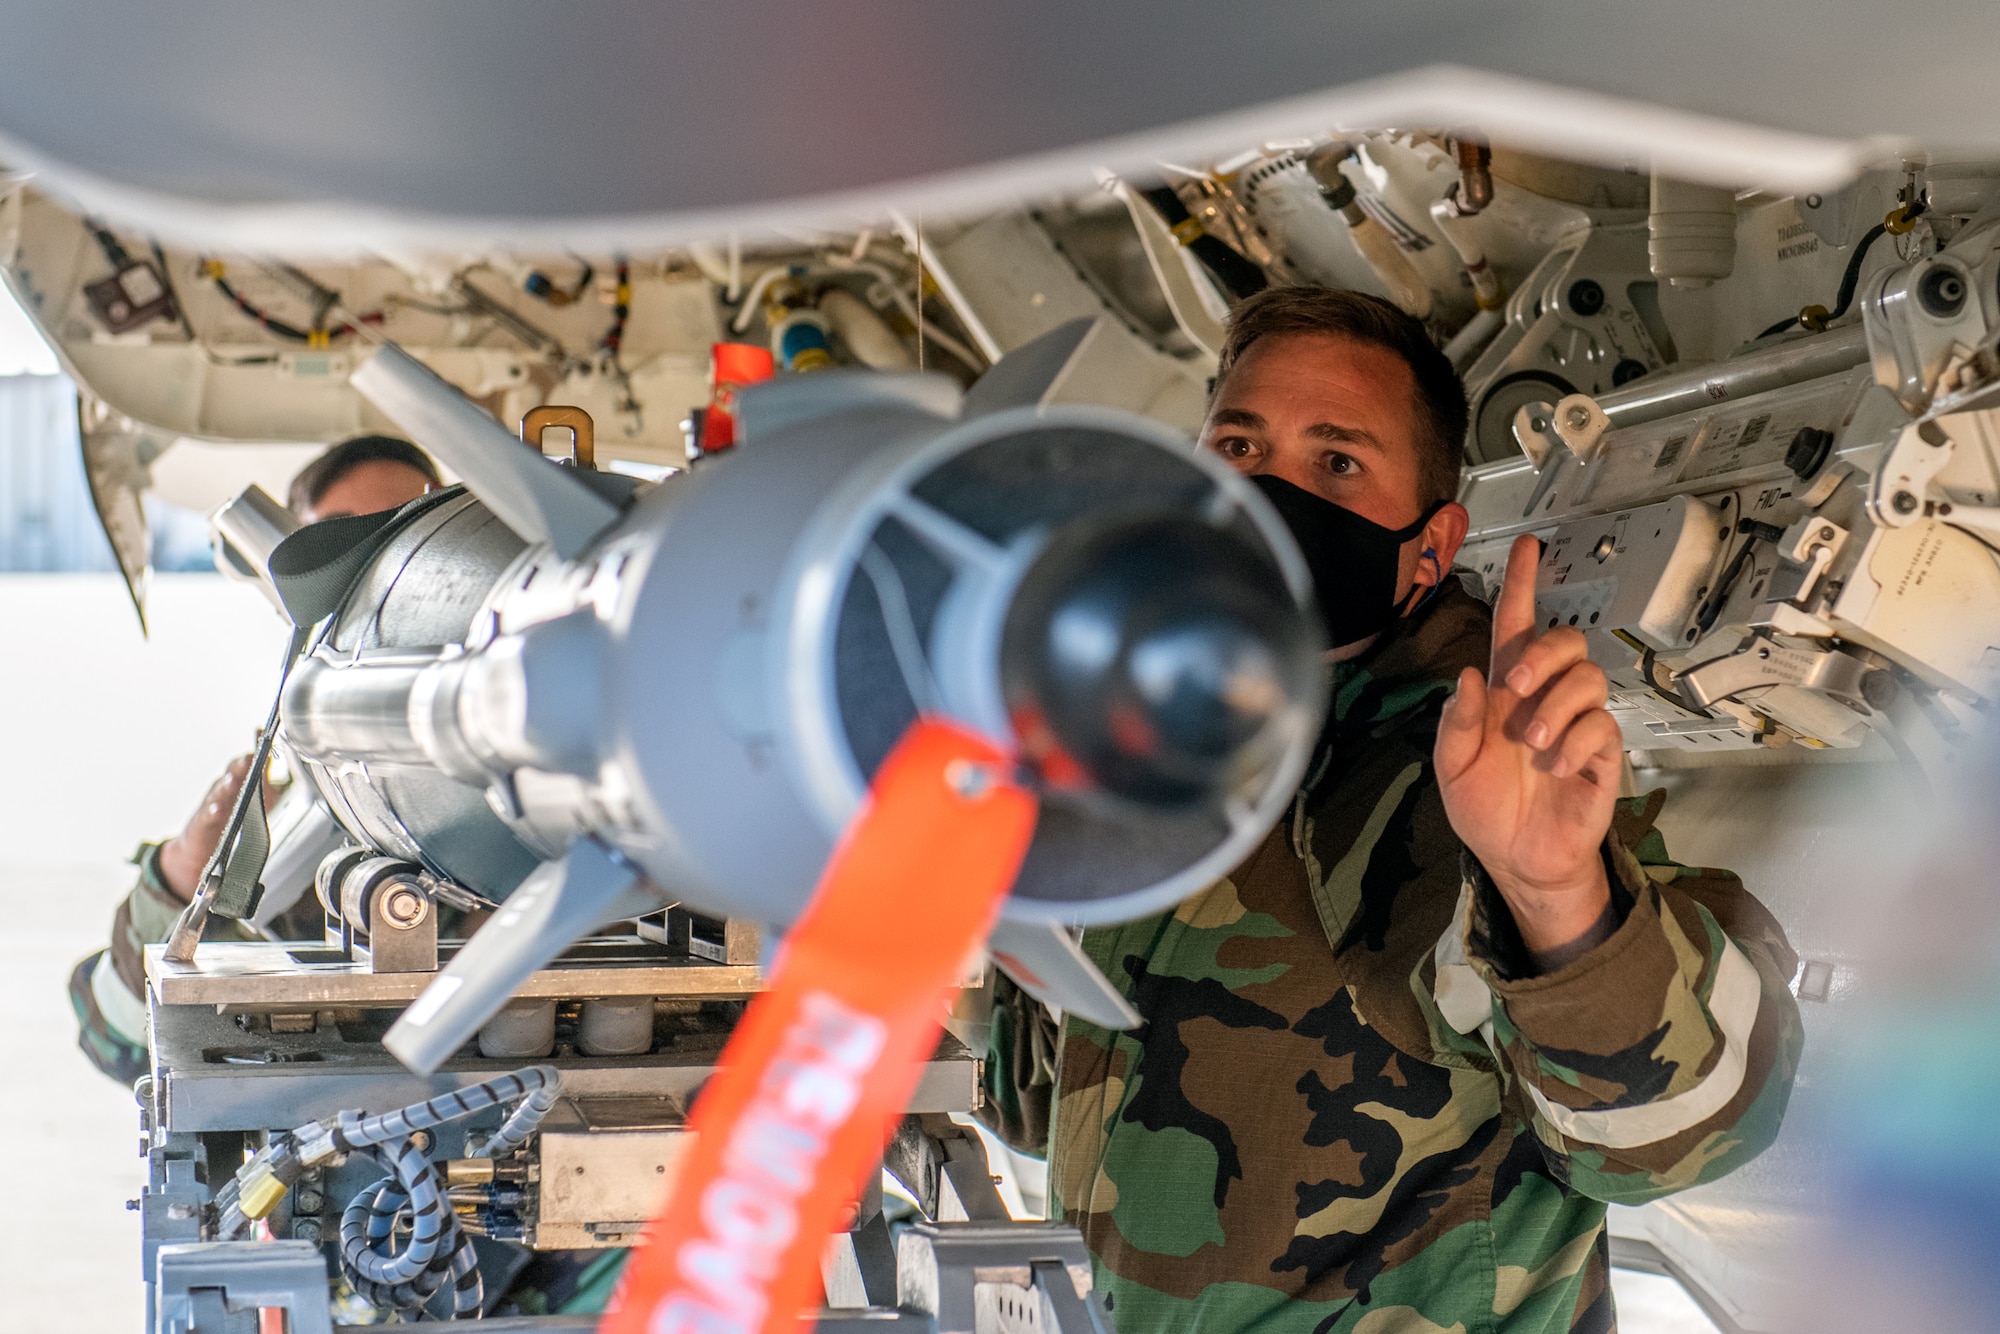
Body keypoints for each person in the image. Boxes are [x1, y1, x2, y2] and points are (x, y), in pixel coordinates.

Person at [980, 288, 1803, 1333]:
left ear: (1430, 544)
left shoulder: (1470, 767)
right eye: (1237, 444)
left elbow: (1674, 1137)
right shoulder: (1163, 746)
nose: (1268, 491)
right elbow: (1036, 1095)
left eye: (1336, 462)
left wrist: (1550, 891)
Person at [68, 434, 438, 1084]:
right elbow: (126, 1044)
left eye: (413, 528)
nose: (385, 560)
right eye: (347, 536)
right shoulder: (294, 822)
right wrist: (180, 880)